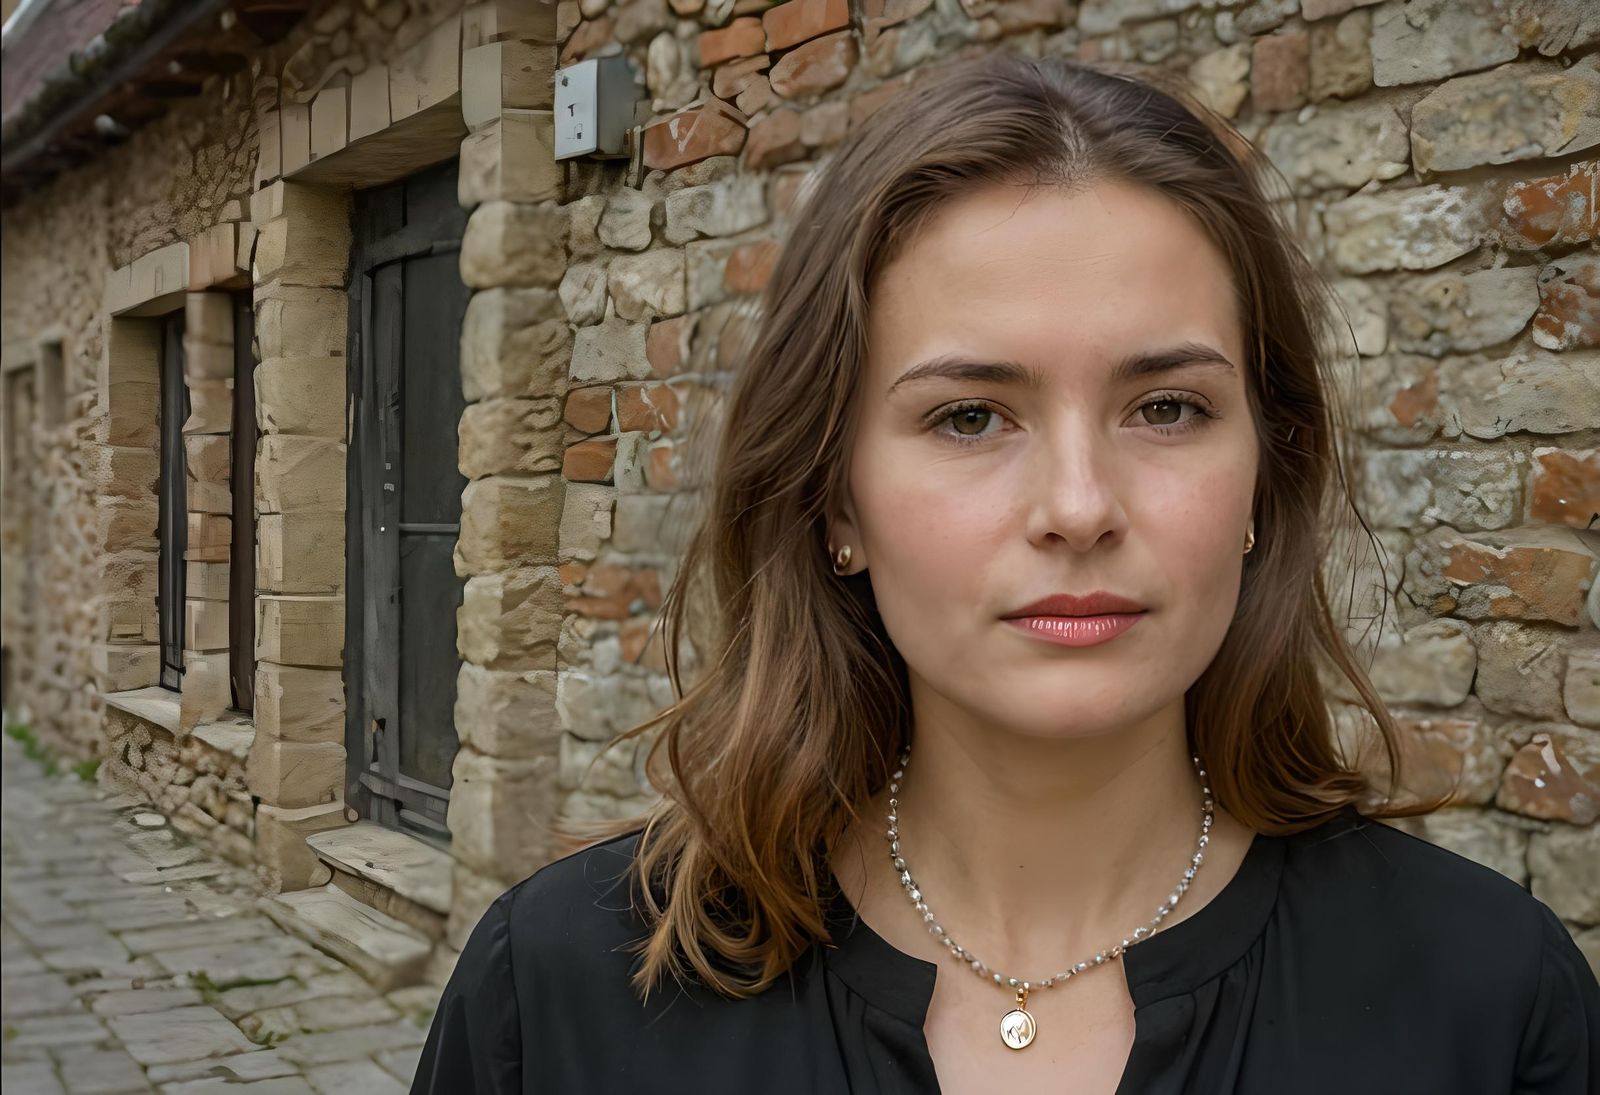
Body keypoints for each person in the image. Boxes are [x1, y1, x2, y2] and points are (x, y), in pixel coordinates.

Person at [410, 50, 1599, 1094]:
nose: (1079, 508)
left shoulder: (1488, 1003)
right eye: (972, 417)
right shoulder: (562, 999)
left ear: (1263, 482)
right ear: (835, 501)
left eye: (1168, 407)